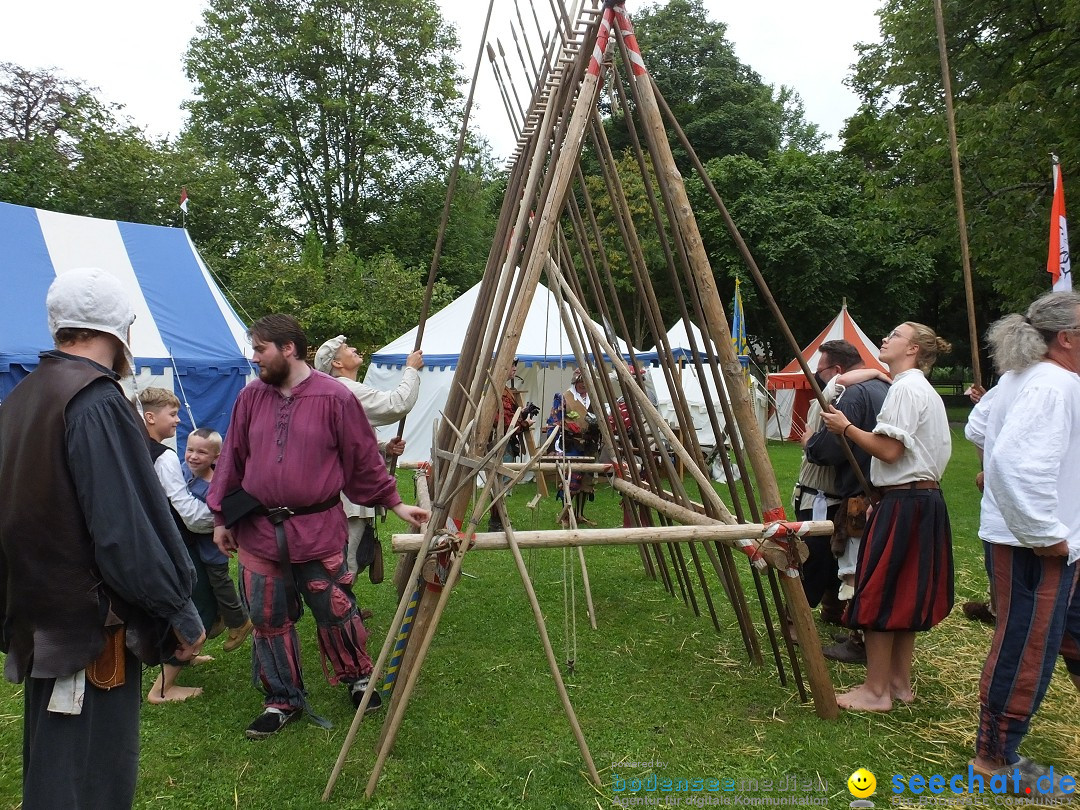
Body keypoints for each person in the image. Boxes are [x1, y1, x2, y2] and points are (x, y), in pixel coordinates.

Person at [0, 267, 204, 808]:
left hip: (44, 621)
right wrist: (177, 607)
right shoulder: (96, 400)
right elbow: (125, 531)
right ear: (120, 331)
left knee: (57, 775)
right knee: (86, 784)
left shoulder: (22, 397)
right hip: (90, 631)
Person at [208, 315, 428, 739]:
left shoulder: (335, 397)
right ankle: (281, 699)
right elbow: (232, 459)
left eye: (260, 349)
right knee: (267, 616)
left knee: (336, 608)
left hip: (318, 528)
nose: (254, 358)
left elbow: (362, 457)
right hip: (258, 531)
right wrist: (221, 517)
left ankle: (357, 676)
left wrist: (395, 502)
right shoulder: (251, 398)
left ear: (288, 348)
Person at [968, 292, 1080, 795]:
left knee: (1072, 631)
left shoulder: (1027, 378)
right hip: (1037, 545)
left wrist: (994, 474)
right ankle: (994, 759)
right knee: (1026, 643)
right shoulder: (1053, 384)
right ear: (1067, 338)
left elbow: (978, 427)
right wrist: (1042, 533)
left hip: (1053, 539)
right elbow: (1013, 461)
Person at [821, 321, 953, 712]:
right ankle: (898, 683)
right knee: (904, 593)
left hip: (905, 503)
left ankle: (876, 692)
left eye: (893, 335)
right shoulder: (915, 387)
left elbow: (889, 451)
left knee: (880, 591)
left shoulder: (907, 390)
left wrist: (846, 428)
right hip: (919, 502)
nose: (884, 338)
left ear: (913, 349)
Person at [803, 340, 890, 664]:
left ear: (837, 369)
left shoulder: (852, 394)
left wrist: (811, 444)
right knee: (864, 566)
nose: (819, 376)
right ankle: (858, 631)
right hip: (876, 488)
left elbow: (829, 449)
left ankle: (859, 641)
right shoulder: (882, 386)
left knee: (856, 570)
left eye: (821, 371)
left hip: (861, 491)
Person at [313, 335, 421, 577]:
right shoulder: (346, 389)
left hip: (342, 489)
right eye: (346, 348)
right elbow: (396, 404)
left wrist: (383, 448)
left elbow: (351, 440)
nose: (353, 348)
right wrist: (411, 370)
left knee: (348, 554)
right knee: (345, 558)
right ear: (337, 364)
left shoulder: (340, 390)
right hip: (347, 493)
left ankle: (343, 607)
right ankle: (342, 612)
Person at [138, 387, 220, 704]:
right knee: (197, 603)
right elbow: (186, 510)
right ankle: (163, 687)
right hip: (174, 542)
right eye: (172, 414)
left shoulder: (131, 450)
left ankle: (183, 654)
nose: (177, 420)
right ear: (150, 416)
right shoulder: (165, 456)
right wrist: (223, 521)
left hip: (149, 540)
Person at [184, 427, 253, 651]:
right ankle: (218, 616)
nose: (193, 456)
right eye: (189, 450)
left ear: (216, 457)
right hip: (195, 547)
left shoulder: (215, 488)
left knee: (220, 583)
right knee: (203, 584)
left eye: (201, 453)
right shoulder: (185, 472)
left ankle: (239, 621)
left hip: (214, 549)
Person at [545, 366, 601, 526]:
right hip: (571, 444)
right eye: (580, 381)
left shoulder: (594, 398)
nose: (583, 385)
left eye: (586, 382)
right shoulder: (564, 397)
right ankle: (565, 515)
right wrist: (565, 429)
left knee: (587, 479)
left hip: (589, 443)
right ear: (575, 381)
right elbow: (554, 420)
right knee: (571, 479)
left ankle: (580, 514)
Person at [488, 358, 537, 532]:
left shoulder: (505, 390)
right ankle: (496, 522)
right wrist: (524, 423)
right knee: (499, 483)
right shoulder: (496, 391)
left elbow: (510, 416)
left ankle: (499, 521)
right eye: (511, 365)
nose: (515, 369)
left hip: (506, 441)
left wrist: (523, 413)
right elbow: (503, 422)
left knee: (502, 483)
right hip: (499, 442)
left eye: (515, 365)